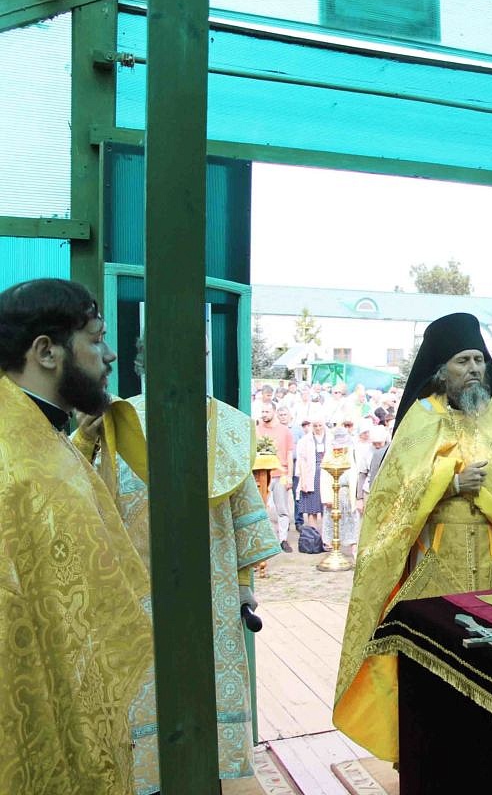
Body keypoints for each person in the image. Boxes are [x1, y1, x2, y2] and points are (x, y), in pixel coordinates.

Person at [75, 336, 280, 793]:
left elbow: (240, 510)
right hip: (133, 593)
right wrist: (84, 438)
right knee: (141, 700)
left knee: (204, 707)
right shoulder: (113, 421)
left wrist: (242, 584)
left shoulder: (226, 425)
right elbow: (75, 491)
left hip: (210, 595)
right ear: (142, 363)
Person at [334, 312, 492, 762]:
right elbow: (394, 497)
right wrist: (450, 482)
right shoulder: (421, 418)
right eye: (463, 361)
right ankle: (431, 757)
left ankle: (491, 754)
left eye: (479, 360)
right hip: (436, 564)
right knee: (436, 659)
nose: (474, 369)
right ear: (441, 369)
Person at [0, 278, 152, 792]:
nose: (110, 354)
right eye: (96, 338)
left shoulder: (38, 431)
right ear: (46, 352)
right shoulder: (15, 458)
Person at [256, 400, 296, 552]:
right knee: (262, 508)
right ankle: (265, 540)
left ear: (274, 412)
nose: (264, 414)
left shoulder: (285, 431)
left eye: (267, 412)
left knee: (282, 508)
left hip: (280, 474)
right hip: (262, 475)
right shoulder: (257, 430)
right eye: (262, 412)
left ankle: (283, 539)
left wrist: (290, 476)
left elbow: (290, 454)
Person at [321, 427, 362, 557]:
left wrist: (358, 496)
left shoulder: (352, 451)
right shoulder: (329, 454)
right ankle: (333, 549)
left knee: (352, 520)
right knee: (332, 520)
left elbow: (357, 474)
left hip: (348, 492)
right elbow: (324, 476)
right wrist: (326, 497)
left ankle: (354, 548)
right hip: (333, 492)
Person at [295, 419, 328, 532]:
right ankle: (313, 536)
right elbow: (301, 461)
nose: (318, 428)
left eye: (320, 425)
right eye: (315, 426)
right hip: (311, 476)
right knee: (311, 509)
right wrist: (303, 481)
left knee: (326, 508)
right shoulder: (305, 440)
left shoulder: (330, 438)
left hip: (326, 475)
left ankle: (325, 536)